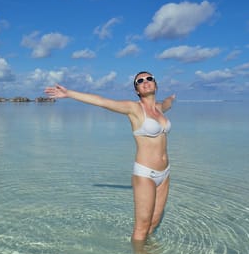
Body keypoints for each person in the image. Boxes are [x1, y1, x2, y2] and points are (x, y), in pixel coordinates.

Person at [44, 71, 175, 244]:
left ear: (155, 85)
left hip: (164, 174)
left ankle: (148, 252)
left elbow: (166, 103)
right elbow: (102, 101)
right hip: (146, 174)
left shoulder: (159, 109)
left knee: (155, 222)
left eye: (149, 79)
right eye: (139, 81)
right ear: (137, 90)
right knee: (142, 227)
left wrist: (171, 98)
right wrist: (69, 94)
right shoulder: (134, 108)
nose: (145, 82)